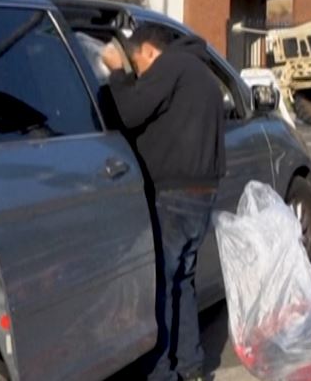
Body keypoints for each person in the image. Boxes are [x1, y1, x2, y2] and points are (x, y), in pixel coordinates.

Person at [102, 24, 226, 381]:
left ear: (151, 52)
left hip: (174, 195)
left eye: (138, 62)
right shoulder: (200, 72)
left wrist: (117, 73)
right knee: (181, 282)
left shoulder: (171, 67)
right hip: (202, 194)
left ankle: (160, 372)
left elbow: (129, 112)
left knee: (161, 286)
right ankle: (190, 366)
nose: (140, 72)